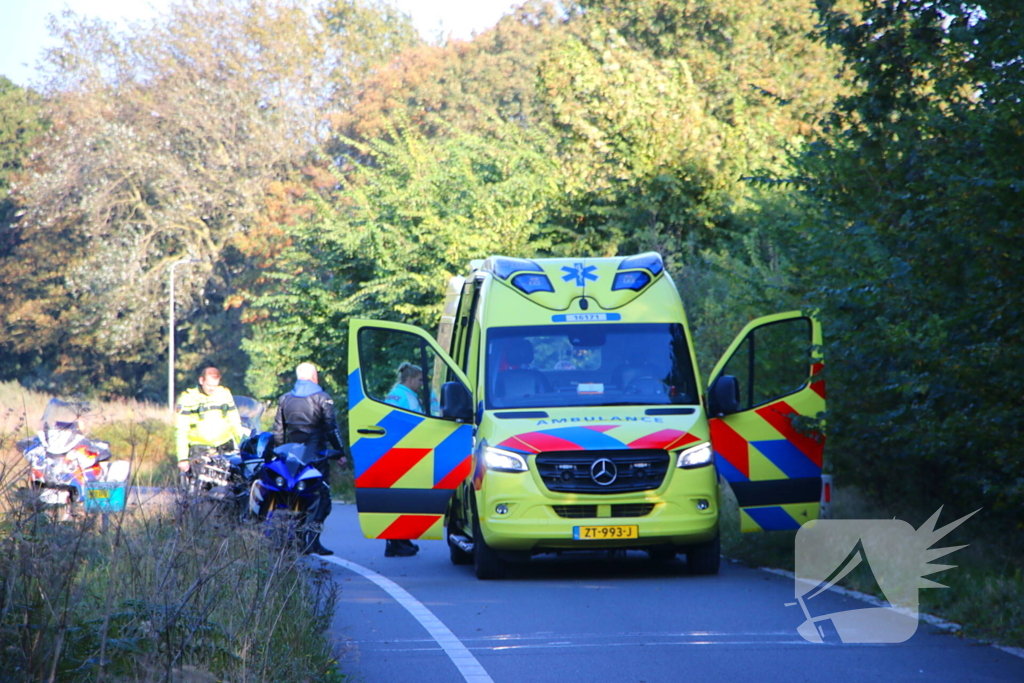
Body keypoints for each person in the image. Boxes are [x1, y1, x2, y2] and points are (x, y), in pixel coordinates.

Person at [273, 362, 345, 556]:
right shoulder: (323, 398)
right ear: (314, 376)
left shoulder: (285, 399)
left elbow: (278, 432)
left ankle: (295, 540)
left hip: (293, 457)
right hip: (317, 456)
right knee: (322, 498)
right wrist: (340, 451)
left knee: (295, 496)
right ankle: (313, 541)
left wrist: (279, 455)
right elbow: (332, 429)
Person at [380, 362, 436, 557]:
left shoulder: (400, 394)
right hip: (404, 451)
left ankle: (400, 541)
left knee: (401, 499)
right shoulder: (405, 396)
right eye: (419, 380)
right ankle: (396, 542)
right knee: (402, 500)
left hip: (400, 450)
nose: (421, 384)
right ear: (410, 379)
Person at [176, 366, 247, 476]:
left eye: (215, 385)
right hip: (200, 449)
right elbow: (181, 430)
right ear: (201, 380)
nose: (212, 389)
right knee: (201, 487)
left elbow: (234, 423)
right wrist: (182, 458)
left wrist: (244, 444)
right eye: (209, 385)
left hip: (224, 447)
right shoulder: (188, 398)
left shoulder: (224, 395)